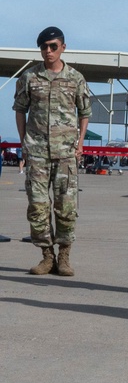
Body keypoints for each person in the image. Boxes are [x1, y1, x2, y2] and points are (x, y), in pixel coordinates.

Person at [14, 26, 91, 276]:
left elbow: (85, 113)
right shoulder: (29, 77)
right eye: (44, 47)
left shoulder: (76, 78)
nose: (48, 51)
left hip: (66, 153)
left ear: (63, 47)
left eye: (53, 46)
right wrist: (24, 142)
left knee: (66, 207)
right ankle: (46, 256)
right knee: (37, 205)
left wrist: (79, 144)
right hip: (36, 152)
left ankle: (65, 256)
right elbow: (20, 110)